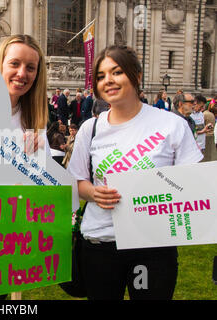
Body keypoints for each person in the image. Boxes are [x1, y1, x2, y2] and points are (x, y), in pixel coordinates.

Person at [67, 45, 203, 300]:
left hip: (152, 245)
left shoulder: (171, 125)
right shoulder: (90, 128)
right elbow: (76, 182)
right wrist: (95, 193)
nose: (108, 80)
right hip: (100, 243)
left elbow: (192, 184)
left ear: (137, 76)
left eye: (116, 72)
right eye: (101, 75)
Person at [0, 34, 49, 154]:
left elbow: (43, 171)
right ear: (0, 64)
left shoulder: (35, 121)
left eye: (30, 68)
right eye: (14, 63)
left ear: (37, 75)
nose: (22, 74)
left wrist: (38, 154)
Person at [197, 94, 217, 161]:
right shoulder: (203, 114)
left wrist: (204, 130)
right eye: (201, 106)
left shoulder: (202, 114)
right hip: (198, 144)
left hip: (203, 142)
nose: (202, 108)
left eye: (203, 107)